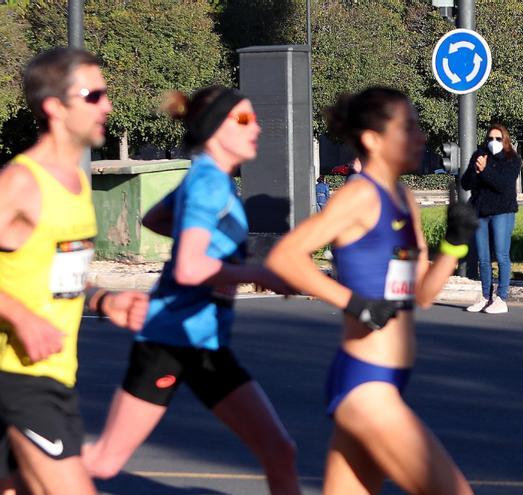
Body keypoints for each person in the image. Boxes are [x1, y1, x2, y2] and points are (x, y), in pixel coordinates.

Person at [82, 86, 302, 495]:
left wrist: (226, 257)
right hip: (170, 339)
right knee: (104, 461)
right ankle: (17, 474)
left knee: (278, 450)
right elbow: (188, 267)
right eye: (243, 119)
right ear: (215, 128)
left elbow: (154, 218)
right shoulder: (207, 184)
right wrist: (259, 273)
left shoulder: (205, 178)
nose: (256, 126)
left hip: (204, 343)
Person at [265, 87, 478, 495]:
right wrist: (353, 303)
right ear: (373, 139)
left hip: (390, 378)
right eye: (409, 128)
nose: (421, 138)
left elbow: (422, 294)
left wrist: (453, 245)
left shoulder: (404, 199)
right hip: (366, 386)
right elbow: (285, 257)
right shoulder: (360, 195)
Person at [0, 47, 149, 495]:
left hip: (56, 371)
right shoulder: (21, 182)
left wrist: (105, 299)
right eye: (93, 94)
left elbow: (58, 271)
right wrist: (22, 317)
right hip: (19, 377)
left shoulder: (76, 180)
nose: (106, 105)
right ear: (55, 107)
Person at [461, 124, 521, 314]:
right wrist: (476, 171)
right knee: (483, 257)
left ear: (505, 140)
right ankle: (486, 296)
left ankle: (501, 297)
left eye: (498, 138)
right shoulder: (479, 155)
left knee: (502, 255)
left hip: (502, 210)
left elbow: (503, 185)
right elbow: (465, 183)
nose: (493, 142)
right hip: (480, 211)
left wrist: (485, 170)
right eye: (490, 138)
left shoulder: (513, 159)